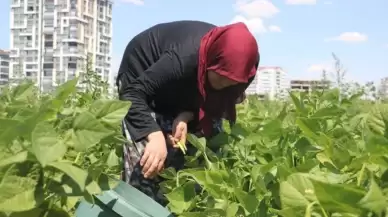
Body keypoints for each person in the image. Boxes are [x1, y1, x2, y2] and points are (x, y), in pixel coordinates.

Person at [116, 20, 260, 205]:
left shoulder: (246, 69)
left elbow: (214, 99)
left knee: (202, 147)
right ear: (210, 63)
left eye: (231, 82)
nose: (225, 84)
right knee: (147, 164)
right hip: (141, 77)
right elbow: (133, 94)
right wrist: (153, 134)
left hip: (181, 84)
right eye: (221, 77)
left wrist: (186, 116)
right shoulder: (183, 57)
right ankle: (138, 204)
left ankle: (180, 205)